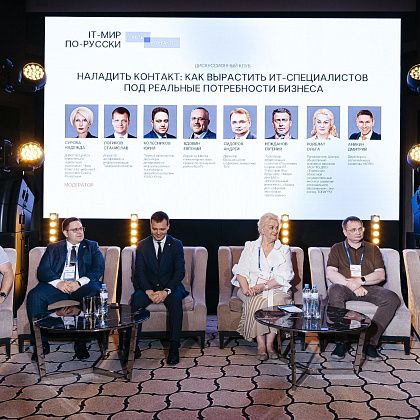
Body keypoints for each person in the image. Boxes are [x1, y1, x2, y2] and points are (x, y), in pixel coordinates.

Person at [27, 217, 105, 360]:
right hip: (58, 287)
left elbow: (98, 269)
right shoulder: (53, 247)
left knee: (94, 291)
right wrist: (59, 283)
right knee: (35, 295)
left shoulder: (92, 246)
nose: (80, 232)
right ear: (65, 232)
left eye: (81, 228)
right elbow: (43, 271)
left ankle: (81, 342)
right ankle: (41, 343)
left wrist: (79, 283)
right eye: (75, 229)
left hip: (81, 286)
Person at [326, 216, 400, 361]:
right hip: (345, 287)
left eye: (360, 229)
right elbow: (331, 273)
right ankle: (342, 341)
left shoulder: (372, 248)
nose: (358, 232)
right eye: (353, 230)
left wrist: (360, 281)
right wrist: (351, 285)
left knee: (392, 298)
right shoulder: (337, 248)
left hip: (368, 287)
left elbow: (380, 275)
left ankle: (369, 342)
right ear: (345, 232)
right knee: (334, 290)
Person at [231, 213, 294, 361]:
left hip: (276, 288)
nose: (275, 231)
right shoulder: (250, 246)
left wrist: (264, 286)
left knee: (274, 301)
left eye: (277, 228)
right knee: (255, 301)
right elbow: (240, 271)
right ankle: (260, 345)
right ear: (262, 229)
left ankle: (270, 345)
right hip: (250, 287)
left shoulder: (284, 249)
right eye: (271, 227)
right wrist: (246, 290)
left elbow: (286, 275)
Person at [131, 211, 187, 365]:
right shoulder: (142, 245)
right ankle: (133, 345)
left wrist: (166, 291)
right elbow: (140, 272)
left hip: (170, 287)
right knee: (136, 301)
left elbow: (179, 272)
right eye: (154, 229)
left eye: (162, 229)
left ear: (168, 226)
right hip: (148, 287)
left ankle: (174, 347)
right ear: (150, 226)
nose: (158, 233)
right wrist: (148, 291)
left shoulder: (176, 244)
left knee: (176, 302)